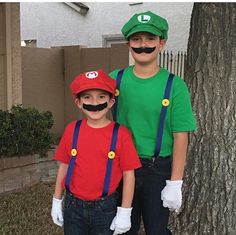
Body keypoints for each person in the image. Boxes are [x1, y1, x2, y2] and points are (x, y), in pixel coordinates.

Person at [109, 11, 197, 235]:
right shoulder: (113, 80)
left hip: (157, 170)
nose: (143, 45)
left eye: (150, 39)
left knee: (157, 230)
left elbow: (181, 135)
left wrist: (175, 182)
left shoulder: (175, 85)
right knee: (121, 229)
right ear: (129, 43)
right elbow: (91, 110)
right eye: (137, 39)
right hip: (120, 167)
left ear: (161, 43)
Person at [51, 69, 141, 235]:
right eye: (87, 97)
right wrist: (57, 199)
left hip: (105, 208)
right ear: (78, 102)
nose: (94, 103)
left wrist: (125, 211)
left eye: (101, 97)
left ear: (111, 102)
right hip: (73, 206)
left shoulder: (121, 134)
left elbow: (129, 174)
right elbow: (64, 166)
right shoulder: (72, 130)